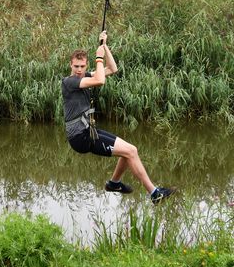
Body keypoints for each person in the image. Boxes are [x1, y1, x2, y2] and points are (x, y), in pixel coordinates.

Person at [61, 30, 174, 204]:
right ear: (70, 65)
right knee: (130, 151)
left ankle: (114, 183)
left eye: (82, 66)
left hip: (89, 131)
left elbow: (112, 69)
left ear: (86, 65)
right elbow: (100, 80)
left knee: (130, 150)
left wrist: (104, 47)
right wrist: (99, 59)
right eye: (76, 66)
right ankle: (154, 193)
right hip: (80, 138)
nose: (79, 70)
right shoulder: (70, 82)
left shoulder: (86, 76)